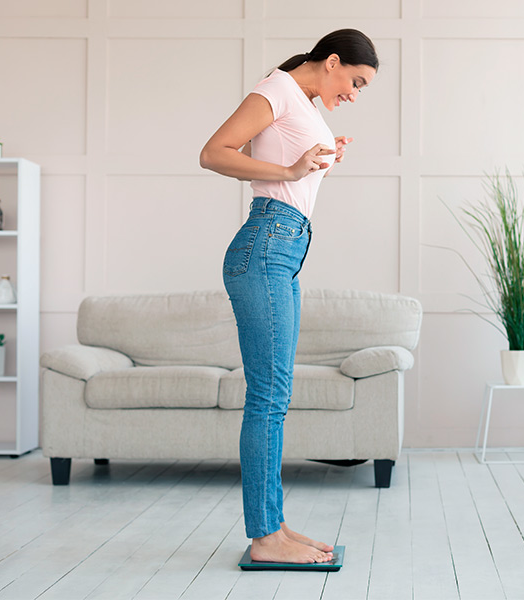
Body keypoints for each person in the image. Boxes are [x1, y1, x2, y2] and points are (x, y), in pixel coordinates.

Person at [199, 29, 378, 564]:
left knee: (275, 397)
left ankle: (273, 526)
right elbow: (213, 153)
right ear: (332, 61)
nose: (354, 94)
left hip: (284, 249)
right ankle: (265, 537)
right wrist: (292, 170)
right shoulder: (276, 88)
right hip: (265, 246)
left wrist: (319, 157)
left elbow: (282, 164)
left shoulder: (298, 100)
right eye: (355, 81)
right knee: (268, 399)